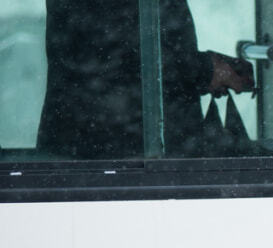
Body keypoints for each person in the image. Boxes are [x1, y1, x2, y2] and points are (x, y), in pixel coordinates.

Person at [38, 0, 254, 159]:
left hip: (123, 154)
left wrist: (206, 69)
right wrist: (205, 69)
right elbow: (110, 59)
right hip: (111, 159)